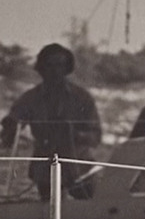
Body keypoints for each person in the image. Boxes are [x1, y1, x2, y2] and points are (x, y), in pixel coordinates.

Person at [0, 43, 102, 200]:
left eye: (60, 65)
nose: (55, 71)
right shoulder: (30, 98)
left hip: (81, 167)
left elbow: (96, 137)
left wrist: (73, 133)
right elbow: (14, 120)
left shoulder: (82, 97)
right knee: (50, 216)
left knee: (92, 213)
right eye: (50, 65)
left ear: (67, 68)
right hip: (46, 169)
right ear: (41, 68)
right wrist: (10, 125)